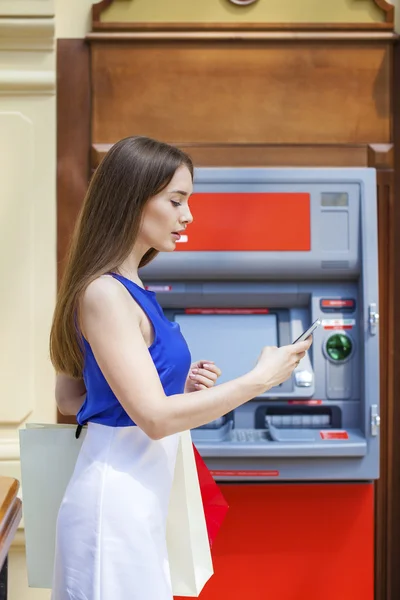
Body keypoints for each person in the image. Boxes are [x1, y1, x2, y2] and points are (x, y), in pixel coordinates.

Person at [49, 136, 312, 600]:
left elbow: (74, 395)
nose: (188, 216)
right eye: (176, 200)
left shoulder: (127, 287)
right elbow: (152, 419)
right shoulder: (105, 293)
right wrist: (258, 380)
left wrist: (172, 385)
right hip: (116, 509)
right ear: (132, 199)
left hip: (139, 498)